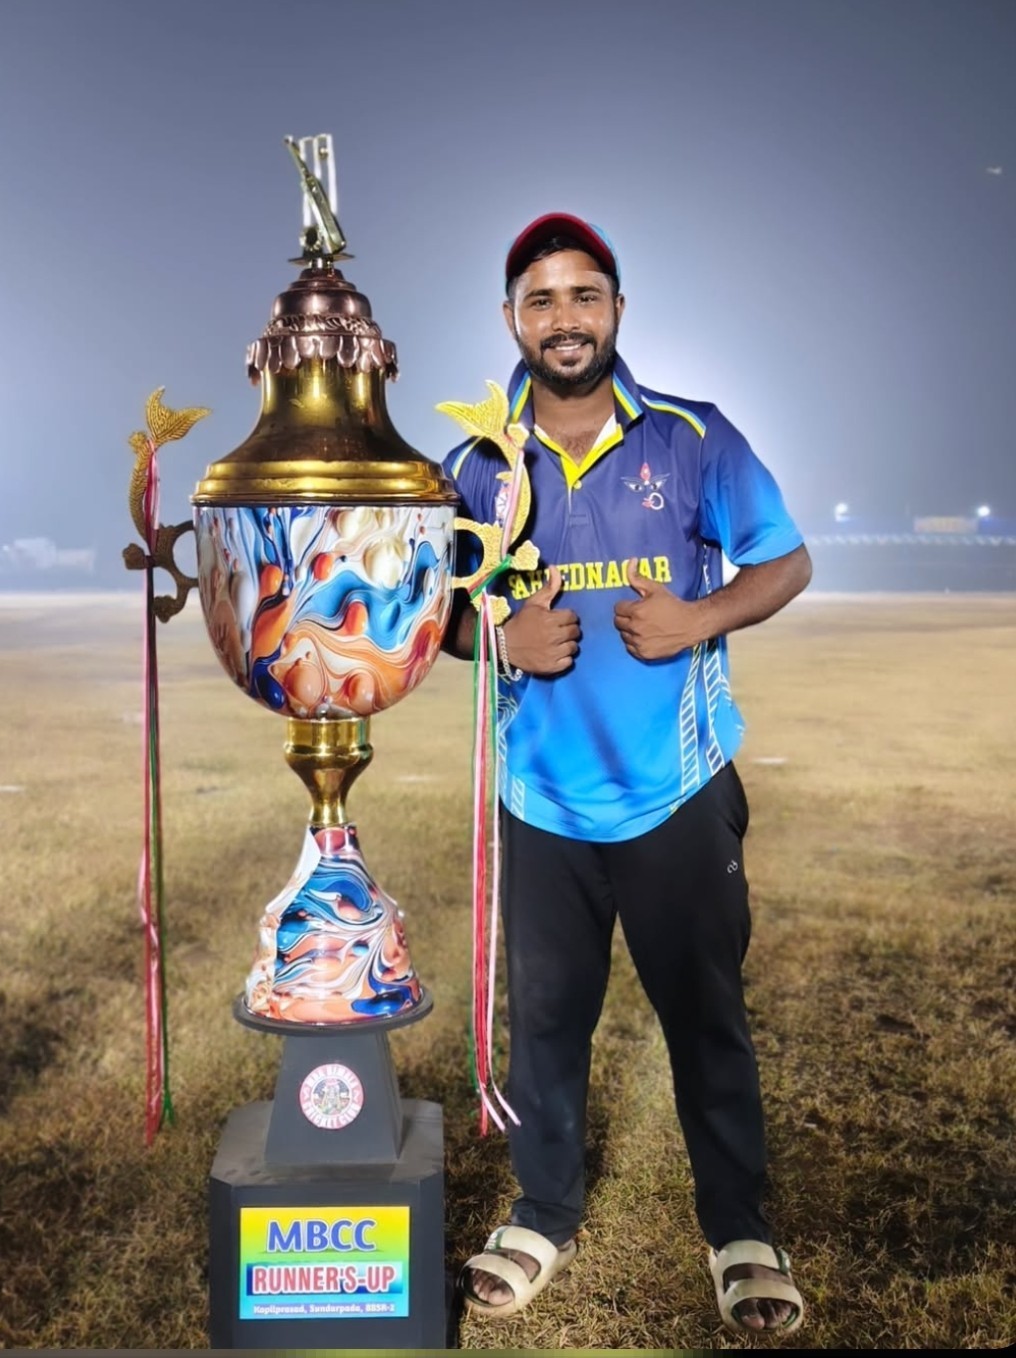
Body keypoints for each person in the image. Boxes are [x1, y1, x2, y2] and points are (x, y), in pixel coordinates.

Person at [441, 213, 812, 1337]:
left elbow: (786, 559)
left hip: (676, 787)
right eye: (541, 298)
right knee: (548, 1023)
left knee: (706, 1016)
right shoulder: (474, 464)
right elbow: (431, 617)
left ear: (616, 309)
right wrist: (499, 637)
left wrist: (700, 615)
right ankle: (543, 1211)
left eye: (584, 295)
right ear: (512, 318)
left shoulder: (693, 437)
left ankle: (738, 1226)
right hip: (542, 798)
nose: (565, 317)